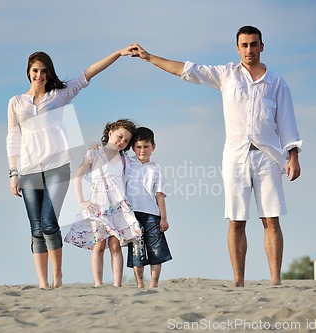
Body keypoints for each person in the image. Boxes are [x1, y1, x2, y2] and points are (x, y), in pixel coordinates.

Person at [130, 26, 302, 287]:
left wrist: (293, 156)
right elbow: (187, 70)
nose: (249, 50)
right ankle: (238, 280)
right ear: (237, 48)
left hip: (268, 158)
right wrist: (150, 57)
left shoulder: (276, 82)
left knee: (271, 219)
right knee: (236, 221)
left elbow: (287, 122)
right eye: (244, 45)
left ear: (262, 46)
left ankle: (275, 280)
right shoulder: (226, 75)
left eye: (253, 44)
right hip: (235, 157)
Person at [6, 47, 136, 289]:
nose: (40, 75)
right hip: (28, 170)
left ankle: (58, 276)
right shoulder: (16, 103)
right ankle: (43, 283)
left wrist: (117, 54)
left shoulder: (59, 95)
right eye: (35, 71)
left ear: (49, 73)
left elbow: (87, 74)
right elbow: (12, 138)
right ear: (28, 72)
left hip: (57, 168)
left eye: (44, 71)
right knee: (36, 228)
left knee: (48, 223)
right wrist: (13, 172)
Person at [64, 119, 141, 287]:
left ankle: (117, 285)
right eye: (120, 136)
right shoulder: (95, 153)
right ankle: (98, 284)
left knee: (115, 245)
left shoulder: (124, 159)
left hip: (118, 208)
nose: (122, 142)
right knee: (99, 245)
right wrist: (81, 201)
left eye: (126, 140)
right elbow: (77, 175)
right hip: (98, 206)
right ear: (110, 132)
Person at [125, 127, 172, 288]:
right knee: (137, 250)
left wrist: (164, 218)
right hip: (132, 214)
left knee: (156, 250)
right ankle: (140, 283)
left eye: (146, 146)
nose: (142, 150)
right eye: (138, 147)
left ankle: (154, 284)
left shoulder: (156, 168)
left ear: (153, 147)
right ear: (133, 148)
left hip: (152, 214)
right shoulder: (128, 163)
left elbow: (159, 194)